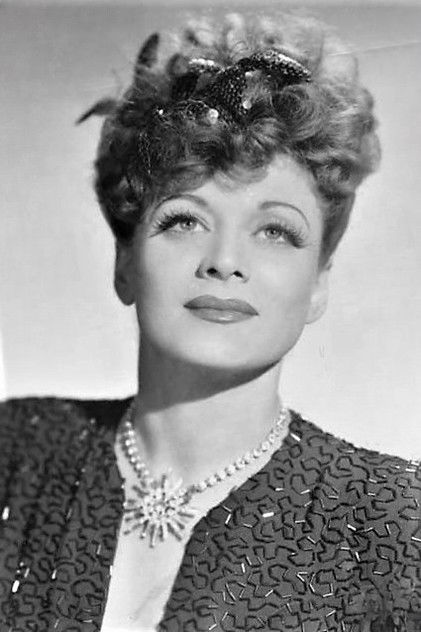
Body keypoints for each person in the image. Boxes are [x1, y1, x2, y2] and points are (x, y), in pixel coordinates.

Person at [0, 9, 420, 632]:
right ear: (124, 261)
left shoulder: (398, 526)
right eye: (184, 221)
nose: (224, 261)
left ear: (318, 283)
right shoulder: (15, 451)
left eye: (275, 231)